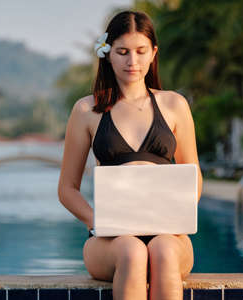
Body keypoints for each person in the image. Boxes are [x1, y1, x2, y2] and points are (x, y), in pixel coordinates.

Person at [57, 10, 203, 300]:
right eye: (122, 52)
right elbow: (67, 189)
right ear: (108, 54)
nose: (132, 61)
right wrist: (95, 222)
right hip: (111, 240)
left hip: (170, 236)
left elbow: (194, 174)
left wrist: (179, 212)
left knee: (161, 250)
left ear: (153, 53)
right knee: (133, 251)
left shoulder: (175, 105)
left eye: (140, 51)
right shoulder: (87, 110)